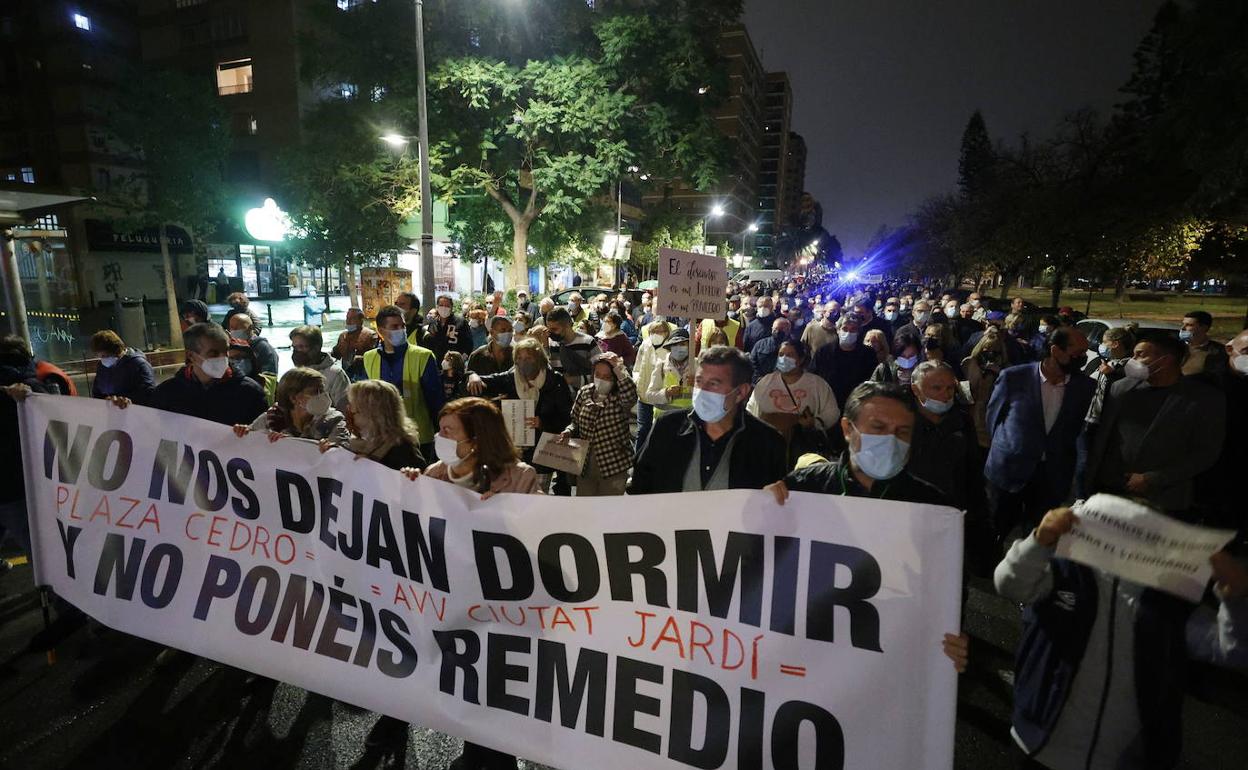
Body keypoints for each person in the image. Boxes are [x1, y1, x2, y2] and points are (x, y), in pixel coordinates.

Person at [995, 506, 1247, 769]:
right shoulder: (1067, 573)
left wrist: (1236, 600)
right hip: (1036, 743)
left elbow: (1233, 650)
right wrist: (1039, 540)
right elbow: (1008, 584)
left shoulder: (1170, 601)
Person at [396, 396, 539, 769]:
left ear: (475, 439)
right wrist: (407, 488)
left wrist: (507, 514)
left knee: (498, 686)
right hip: (453, 603)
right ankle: (475, 751)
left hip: (501, 608)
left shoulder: (520, 477)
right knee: (466, 683)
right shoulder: (433, 474)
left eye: (448, 431)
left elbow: (545, 535)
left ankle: (497, 757)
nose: (439, 438)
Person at [1086, 335, 1225, 515]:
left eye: (1140, 355)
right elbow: (1104, 437)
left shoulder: (1204, 399)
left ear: (1165, 360)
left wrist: (1153, 479)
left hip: (1163, 498)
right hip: (1111, 491)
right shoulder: (1121, 389)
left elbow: (1206, 452)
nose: (1132, 361)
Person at [984, 327, 1095, 546]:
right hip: (1008, 469)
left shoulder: (1085, 387)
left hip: (1051, 475)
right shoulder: (1014, 377)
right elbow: (993, 418)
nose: (1082, 358)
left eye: (1085, 353)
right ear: (1055, 350)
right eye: (1078, 352)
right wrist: (1009, 446)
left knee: (1037, 534)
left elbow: (1075, 430)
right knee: (996, 527)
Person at [630, 346, 787, 494]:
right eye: (699, 381)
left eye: (713, 383)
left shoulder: (767, 444)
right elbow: (640, 484)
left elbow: (772, 503)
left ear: (740, 392)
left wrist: (771, 497)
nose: (702, 391)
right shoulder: (667, 428)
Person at [466, 338, 574, 492]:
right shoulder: (511, 378)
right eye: (520, 358)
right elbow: (486, 382)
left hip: (544, 452)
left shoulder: (555, 381)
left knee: (537, 494)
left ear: (538, 359)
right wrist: (472, 376)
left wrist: (543, 422)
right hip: (517, 450)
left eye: (528, 358)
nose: (523, 362)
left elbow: (567, 416)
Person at [364, 304, 444, 461]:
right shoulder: (369, 357)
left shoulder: (423, 356)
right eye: (394, 326)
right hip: (382, 439)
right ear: (380, 331)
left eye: (402, 325)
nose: (401, 330)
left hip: (419, 438)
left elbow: (436, 400)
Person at [150, 323, 268, 425]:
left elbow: (262, 435)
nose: (223, 358)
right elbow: (152, 428)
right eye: (214, 353)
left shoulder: (250, 392)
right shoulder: (167, 393)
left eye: (226, 351)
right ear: (191, 356)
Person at [747, 339, 840, 465]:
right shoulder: (765, 382)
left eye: (790, 355)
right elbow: (751, 409)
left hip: (802, 447)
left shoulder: (817, 384)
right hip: (767, 447)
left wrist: (814, 422)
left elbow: (832, 412)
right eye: (781, 354)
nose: (784, 358)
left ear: (801, 359)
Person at [1, 336, 50, 558]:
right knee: (39, 546)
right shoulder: (29, 388)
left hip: (12, 484)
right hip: (20, 483)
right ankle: (53, 589)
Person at [562, 352, 637, 495]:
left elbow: (630, 395)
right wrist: (568, 431)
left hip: (613, 463)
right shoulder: (584, 392)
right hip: (585, 463)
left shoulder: (620, 396)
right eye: (598, 375)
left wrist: (618, 369)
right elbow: (574, 421)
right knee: (586, 507)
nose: (601, 380)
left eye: (607, 377)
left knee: (609, 510)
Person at [906, 361, 972, 509]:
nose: (946, 395)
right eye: (937, 388)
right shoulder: (901, 424)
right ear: (916, 390)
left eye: (950, 388)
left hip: (952, 508)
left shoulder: (962, 421)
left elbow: (972, 471)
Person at [322, 379, 425, 470]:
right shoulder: (361, 442)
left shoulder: (402, 451)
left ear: (371, 414)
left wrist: (374, 469)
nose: (348, 412)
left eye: (353, 409)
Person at [238, 367, 351, 447]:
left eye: (322, 390)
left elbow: (342, 454)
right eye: (314, 392)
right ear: (293, 398)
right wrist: (242, 433)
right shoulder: (271, 418)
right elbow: (247, 445)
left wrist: (292, 445)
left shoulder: (334, 421)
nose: (322, 395)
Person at [811, 313, 879, 409]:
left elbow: (872, 380)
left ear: (858, 332)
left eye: (853, 330)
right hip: (827, 403)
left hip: (857, 404)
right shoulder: (824, 352)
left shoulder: (868, 354)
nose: (848, 333)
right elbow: (814, 376)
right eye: (845, 329)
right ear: (838, 330)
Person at [962, 327, 1007, 449]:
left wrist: (998, 373)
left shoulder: (1005, 370)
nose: (990, 353)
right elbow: (964, 393)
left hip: (992, 416)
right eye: (987, 349)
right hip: (971, 414)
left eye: (995, 350)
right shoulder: (969, 364)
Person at [632, 319, 671, 452]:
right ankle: (638, 462)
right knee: (642, 430)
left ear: (666, 332)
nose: (656, 334)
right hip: (643, 396)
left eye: (660, 331)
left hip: (659, 397)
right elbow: (637, 367)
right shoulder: (645, 344)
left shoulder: (670, 348)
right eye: (653, 331)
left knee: (658, 432)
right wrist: (637, 381)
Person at [290, 325, 349, 410]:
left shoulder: (335, 374)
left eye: (302, 347)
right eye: (295, 347)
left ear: (316, 347)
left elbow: (344, 409)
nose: (298, 352)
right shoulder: (294, 375)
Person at [89, 329, 155, 404]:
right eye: (99, 356)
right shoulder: (102, 367)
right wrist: (105, 400)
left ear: (116, 351)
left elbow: (147, 393)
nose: (102, 359)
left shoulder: (138, 364)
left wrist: (124, 400)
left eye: (105, 355)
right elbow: (97, 392)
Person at [645, 328, 694, 418]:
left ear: (689, 346)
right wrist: (667, 393)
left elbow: (708, 395)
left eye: (683, 344)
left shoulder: (698, 365)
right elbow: (649, 396)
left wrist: (697, 385)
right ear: (670, 348)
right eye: (675, 345)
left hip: (689, 421)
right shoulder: (661, 365)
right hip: (664, 420)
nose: (679, 348)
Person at [544, 307, 596, 390]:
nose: (550, 333)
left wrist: (574, 380)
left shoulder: (588, 342)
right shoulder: (551, 343)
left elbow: (600, 373)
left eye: (554, 329)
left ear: (567, 325)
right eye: (549, 329)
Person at [332, 307, 379, 382]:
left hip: (364, 376)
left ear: (361, 320)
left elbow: (374, 357)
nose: (348, 321)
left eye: (352, 319)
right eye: (347, 318)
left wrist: (360, 359)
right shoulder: (343, 336)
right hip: (346, 376)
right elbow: (335, 355)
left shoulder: (370, 335)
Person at [1180, 310, 1228, 383]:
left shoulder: (1218, 351)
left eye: (1189, 325)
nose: (1182, 328)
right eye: (1183, 324)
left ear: (1204, 328)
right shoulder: (1174, 345)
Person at [425, 295, 474, 361]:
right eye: (441, 305)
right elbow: (428, 343)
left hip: (454, 362)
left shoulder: (461, 322)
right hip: (436, 362)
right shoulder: (433, 323)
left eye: (447, 306)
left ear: (451, 307)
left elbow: (469, 343)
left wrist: (463, 357)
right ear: (437, 307)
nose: (444, 308)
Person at [749, 317, 791, 384]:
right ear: (772, 329)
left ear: (788, 330)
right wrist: (758, 379)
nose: (777, 332)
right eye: (775, 329)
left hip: (785, 385)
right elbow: (752, 363)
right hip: (761, 383)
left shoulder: (794, 348)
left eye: (781, 329)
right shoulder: (760, 344)